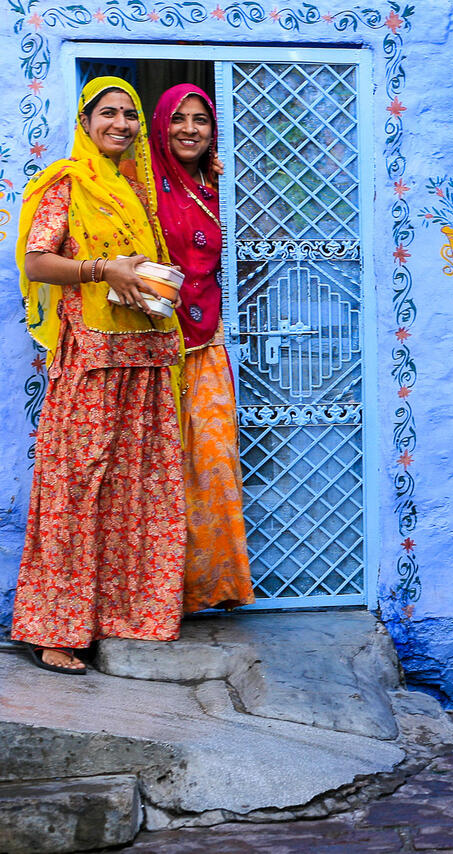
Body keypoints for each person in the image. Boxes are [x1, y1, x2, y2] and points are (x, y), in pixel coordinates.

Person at [11, 76, 185, 674]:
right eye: (107, 113)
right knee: (74, 492)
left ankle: (122, 614)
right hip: (91, 362)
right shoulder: (67, 183)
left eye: (129, 114)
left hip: (145, 356)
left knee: (137, 493)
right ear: (86, 123)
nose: (120, 124)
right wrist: (101, 269)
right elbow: (36, 261)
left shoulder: (135, 189)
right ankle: (53, 629)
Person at [150, 84, 254, 613]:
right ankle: (158, 597)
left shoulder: (220, 190)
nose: (189, 129)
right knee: (160, 467)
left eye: (202, 120)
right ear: (161, 124)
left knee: (213, 461)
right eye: (179, 119)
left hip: (207, 340)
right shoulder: (141, 184)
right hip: (154, 345)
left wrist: (229, 183)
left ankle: (212, 586)